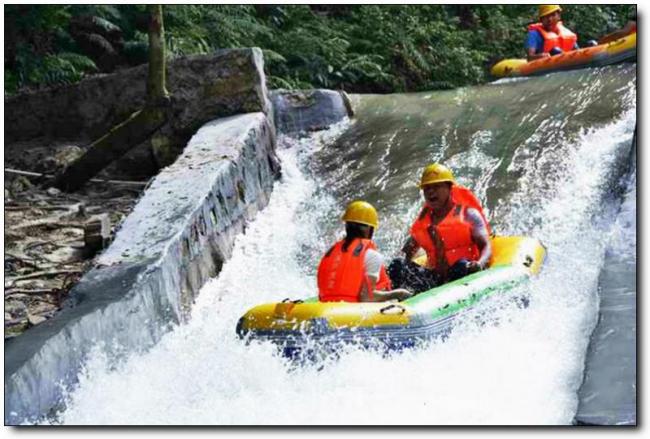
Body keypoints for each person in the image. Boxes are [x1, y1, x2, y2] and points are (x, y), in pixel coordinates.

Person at [388, 164, 492, 294]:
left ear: (449, 188)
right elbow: (405, 254)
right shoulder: (423, 223)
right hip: (435, 281)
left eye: (436, 187)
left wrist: (479, 264)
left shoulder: (468, 214)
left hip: (464, 274)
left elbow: (486, 245)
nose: (431, 192)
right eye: (426, 188)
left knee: (462, 265)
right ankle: (399, 302)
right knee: (396, 265)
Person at [318, 201, 413, 303]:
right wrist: (398, 293)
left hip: (326, 306)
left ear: (346, 226)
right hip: (351, 312)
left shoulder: (329, 253)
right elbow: (366, 298)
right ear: (370, 229)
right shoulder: (372, 256)